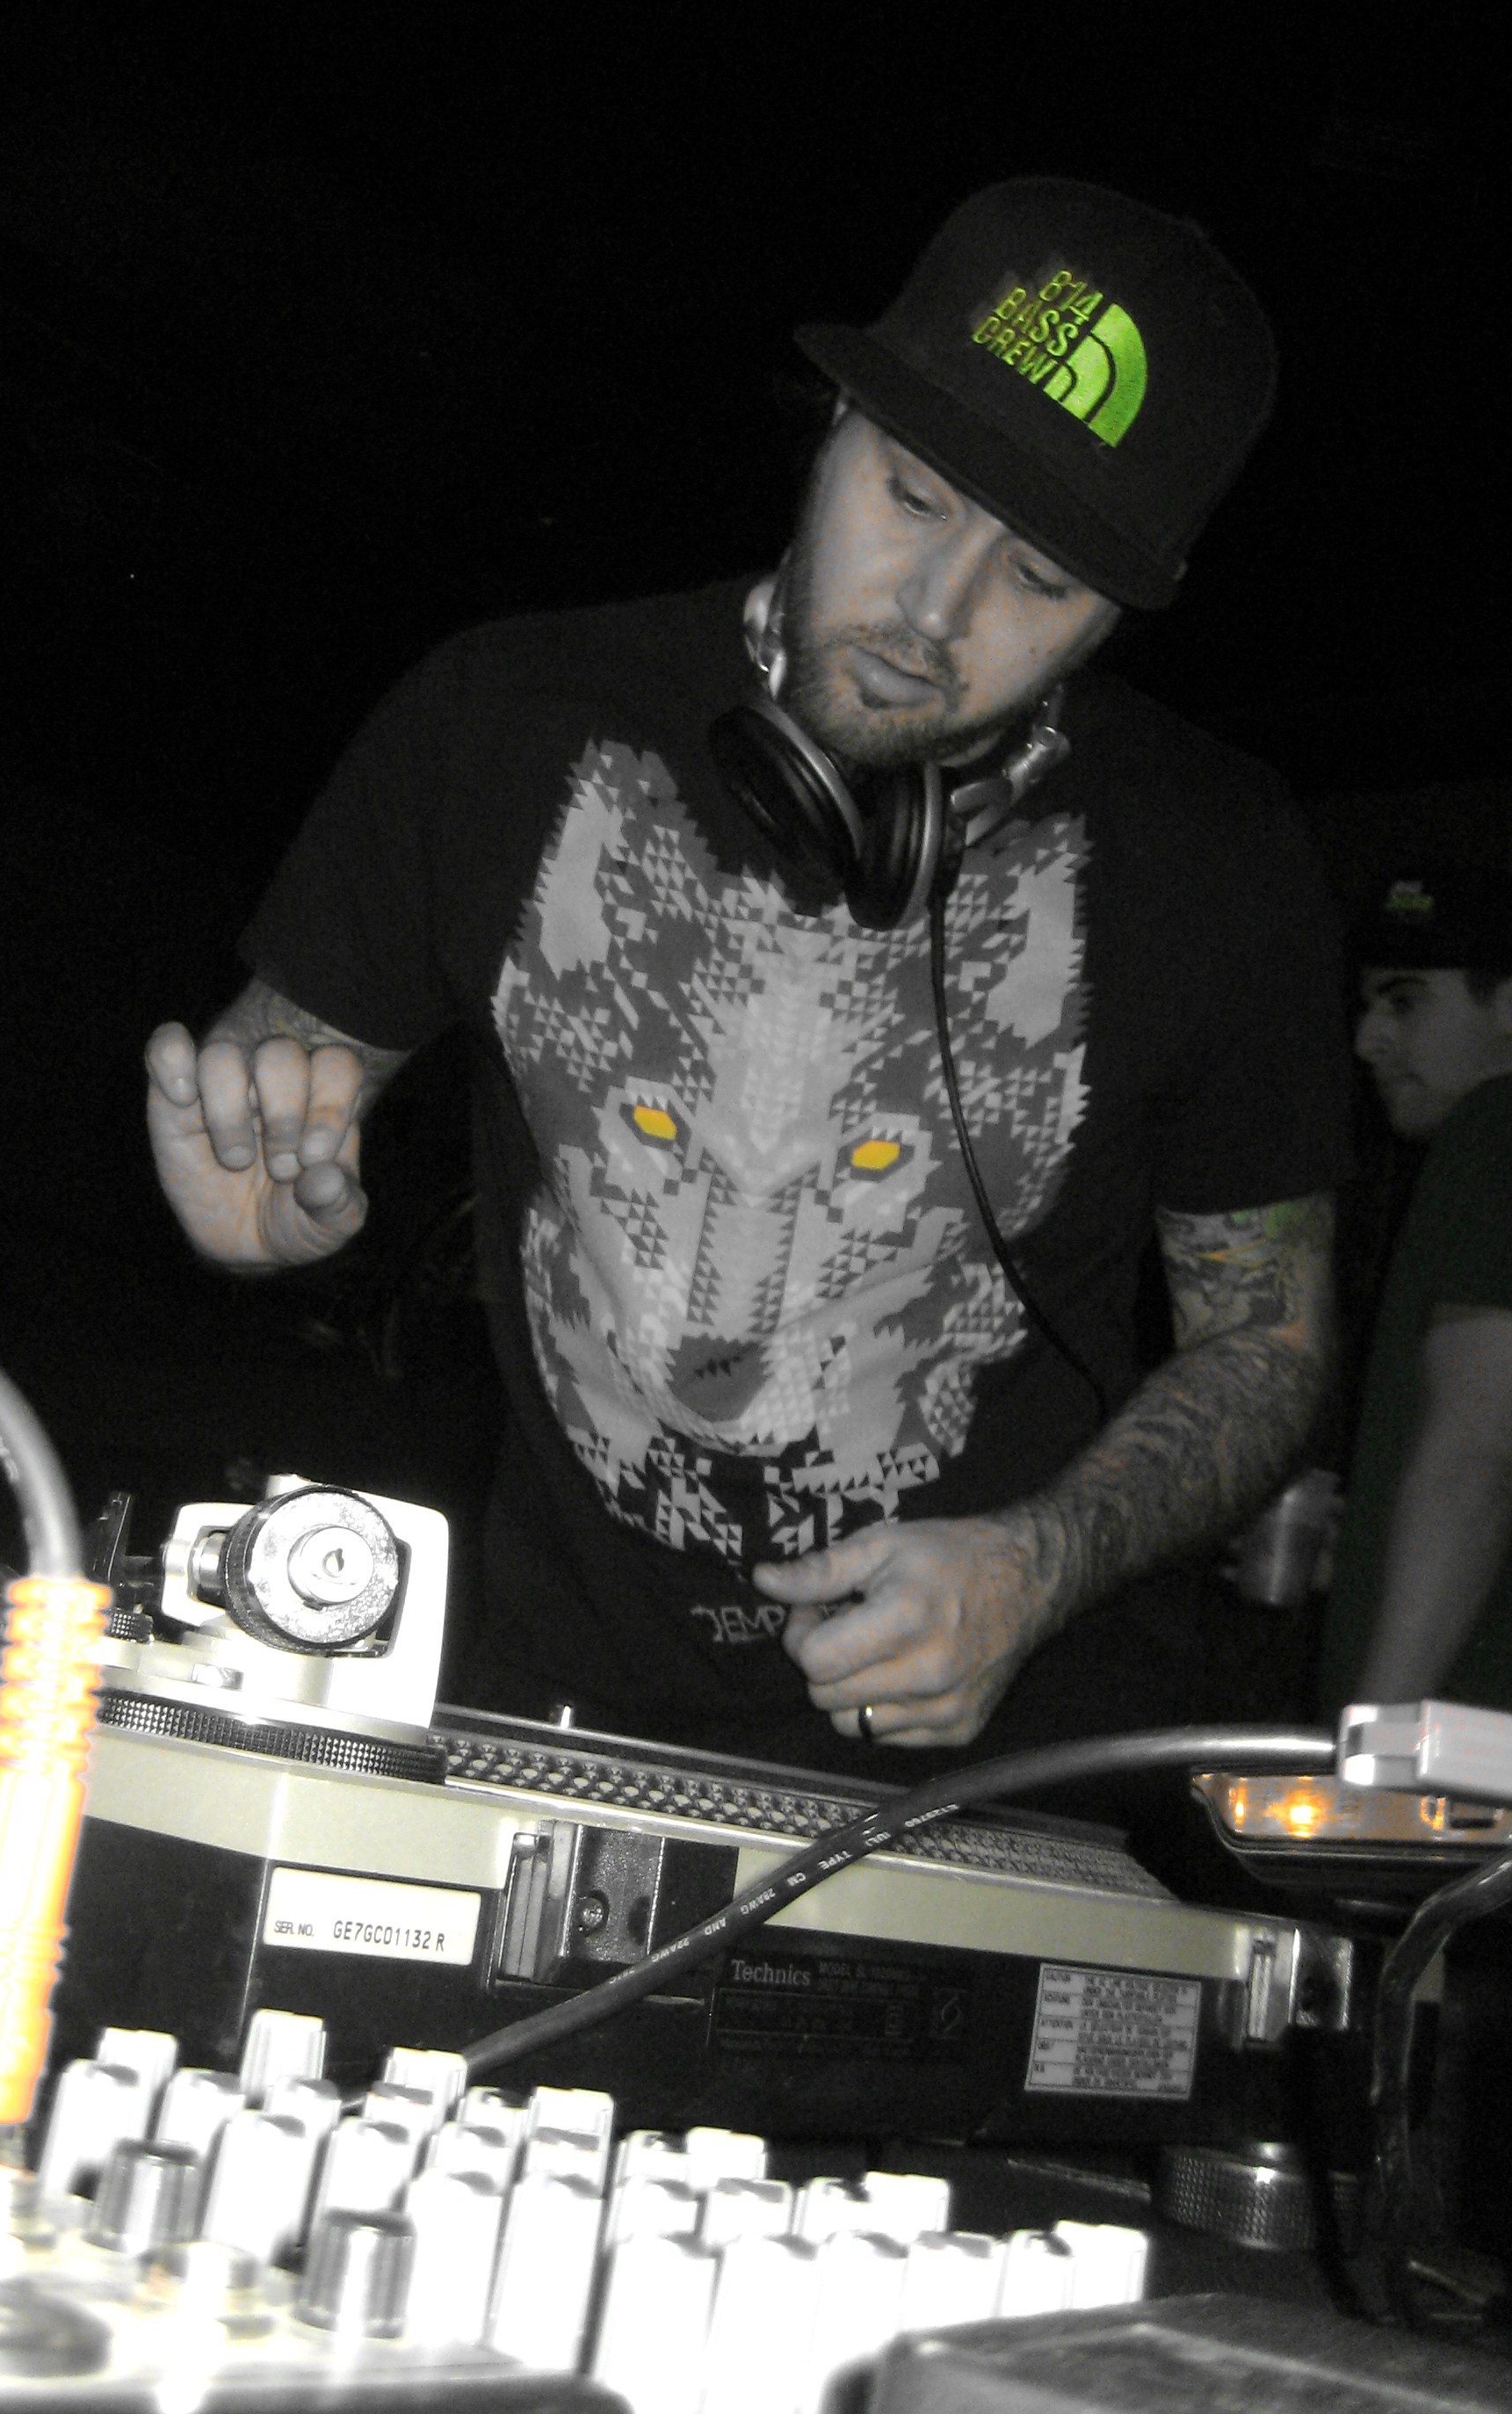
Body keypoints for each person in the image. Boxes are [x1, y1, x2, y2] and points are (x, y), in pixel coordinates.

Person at [148, 178, 1350, 1776]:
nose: (932, 614)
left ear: (1117, 616)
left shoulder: (1217, 861)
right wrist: (246, 1217)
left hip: (1007, 1778)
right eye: (911, 496)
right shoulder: (498, 723)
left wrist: (1041, 1563)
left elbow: (1265, 1343)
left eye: (1039, 581)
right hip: (562, 1720)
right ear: (832, 424)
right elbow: (280, 1101)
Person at [1320, 868, 1512, 1712]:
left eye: (1405, 1002)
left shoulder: (1496, 1131)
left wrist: (1379, 1747)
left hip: (1459, 1753)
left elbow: (1478, 1456)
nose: (1368, 1040)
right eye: (1367, 1006)